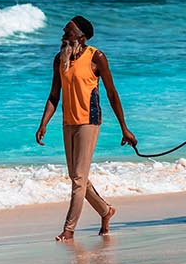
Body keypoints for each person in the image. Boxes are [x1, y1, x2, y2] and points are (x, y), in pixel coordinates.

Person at [35, 15, 137, 241]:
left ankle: (69, 230)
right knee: (77, 177)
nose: (63, 36)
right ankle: (105, 211)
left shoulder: (96, 57)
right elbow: (54, 95)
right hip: (68, 123)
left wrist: (124, 128)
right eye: (63, 32)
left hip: (89, 122)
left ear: (81, 36)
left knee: (78, 179)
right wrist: (43, 123)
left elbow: (111, 93)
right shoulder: (59, 60)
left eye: (68, 32)